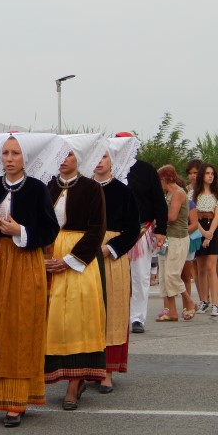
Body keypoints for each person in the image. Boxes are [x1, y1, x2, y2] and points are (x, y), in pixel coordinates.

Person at [0, 132, 63, 428]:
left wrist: (20, 230)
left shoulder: (36, 189)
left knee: (21, 327)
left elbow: (50, 229)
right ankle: (3, 397)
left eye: (15, 154)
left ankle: (18, 401)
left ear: (25, 158)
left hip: (24, 263)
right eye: (6, 153)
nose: (9, 159)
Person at [44, 133, 108, 411]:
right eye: (59, 154)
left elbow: (97, 230)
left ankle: (75, 382)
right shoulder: (47, 187)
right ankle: (54, 375)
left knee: (80, 318)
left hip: (81, 259)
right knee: (53, 318)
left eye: (68, 154)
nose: (63, 159)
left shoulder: (93, 188)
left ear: (79, 158)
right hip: (49, 256)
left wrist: (69, 260)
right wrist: (45, 255)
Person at [92, 139, 141, 393]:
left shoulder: (123, 192)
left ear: (113, 161)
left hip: (112, 257)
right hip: (84, 254)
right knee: (89, 311)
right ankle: (87, 366)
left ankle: (107, 372)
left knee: (113, 310)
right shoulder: (83, 189)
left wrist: (110, 248)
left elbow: (134, 228)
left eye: (105, 157)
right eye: (96, 157)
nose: (100, 161)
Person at [115, 132, 168, 334]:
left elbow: (158, 202)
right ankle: (114, 316)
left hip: (141, 231)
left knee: (140, 276)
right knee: (114, 277)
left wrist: (161, 230)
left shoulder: (146, 170)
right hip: (113, 233)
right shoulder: (108, 168)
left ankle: (137, 318)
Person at [155, 165, 195, 321]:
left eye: (159, 180)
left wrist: (156, 218)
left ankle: (190, 302)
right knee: (165, 276)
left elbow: (171, 217)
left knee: (172, 274)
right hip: (167, 238)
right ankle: (172, 311)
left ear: (165, 178)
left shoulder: (178, 193)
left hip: (177, 238)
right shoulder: (168, 194)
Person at [192, 162, 218, 316]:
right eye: (208, 173)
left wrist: (210, 233)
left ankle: (215, 303)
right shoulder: (193, 195)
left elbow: (217, 216)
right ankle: (204, 300)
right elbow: (193, 216)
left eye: (212, 174)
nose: (210, 176)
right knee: (200, 267)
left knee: (211, 267)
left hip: (213, 229)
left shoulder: (216, 194)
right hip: (198, 229)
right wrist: (202, 232)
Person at [183, 159, 203, 306]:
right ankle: (202, 298)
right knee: (194, 267)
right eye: (190, 173)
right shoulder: (186, 190)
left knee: (210, 266)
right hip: (193, 231)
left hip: (207, 228)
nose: (193, 176)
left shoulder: (209, 189)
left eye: (195, 172)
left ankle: (209, 297)